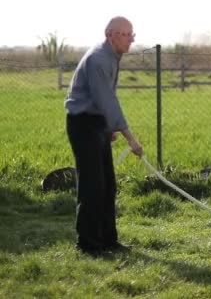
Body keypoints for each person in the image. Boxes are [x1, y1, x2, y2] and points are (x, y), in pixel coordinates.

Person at [65, 16, 143, 255]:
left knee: (107, 185)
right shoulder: (98, 58)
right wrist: (130, 138)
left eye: (133, 35)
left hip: (96, 122)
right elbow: (107, 101)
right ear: (110, 34)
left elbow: (106, 98)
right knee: (92, 186)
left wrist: (107, 127)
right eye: (126, 35)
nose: (131, 40)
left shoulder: (111, 55)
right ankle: (88, 244)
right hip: (83, 124)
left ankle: (108, 240)